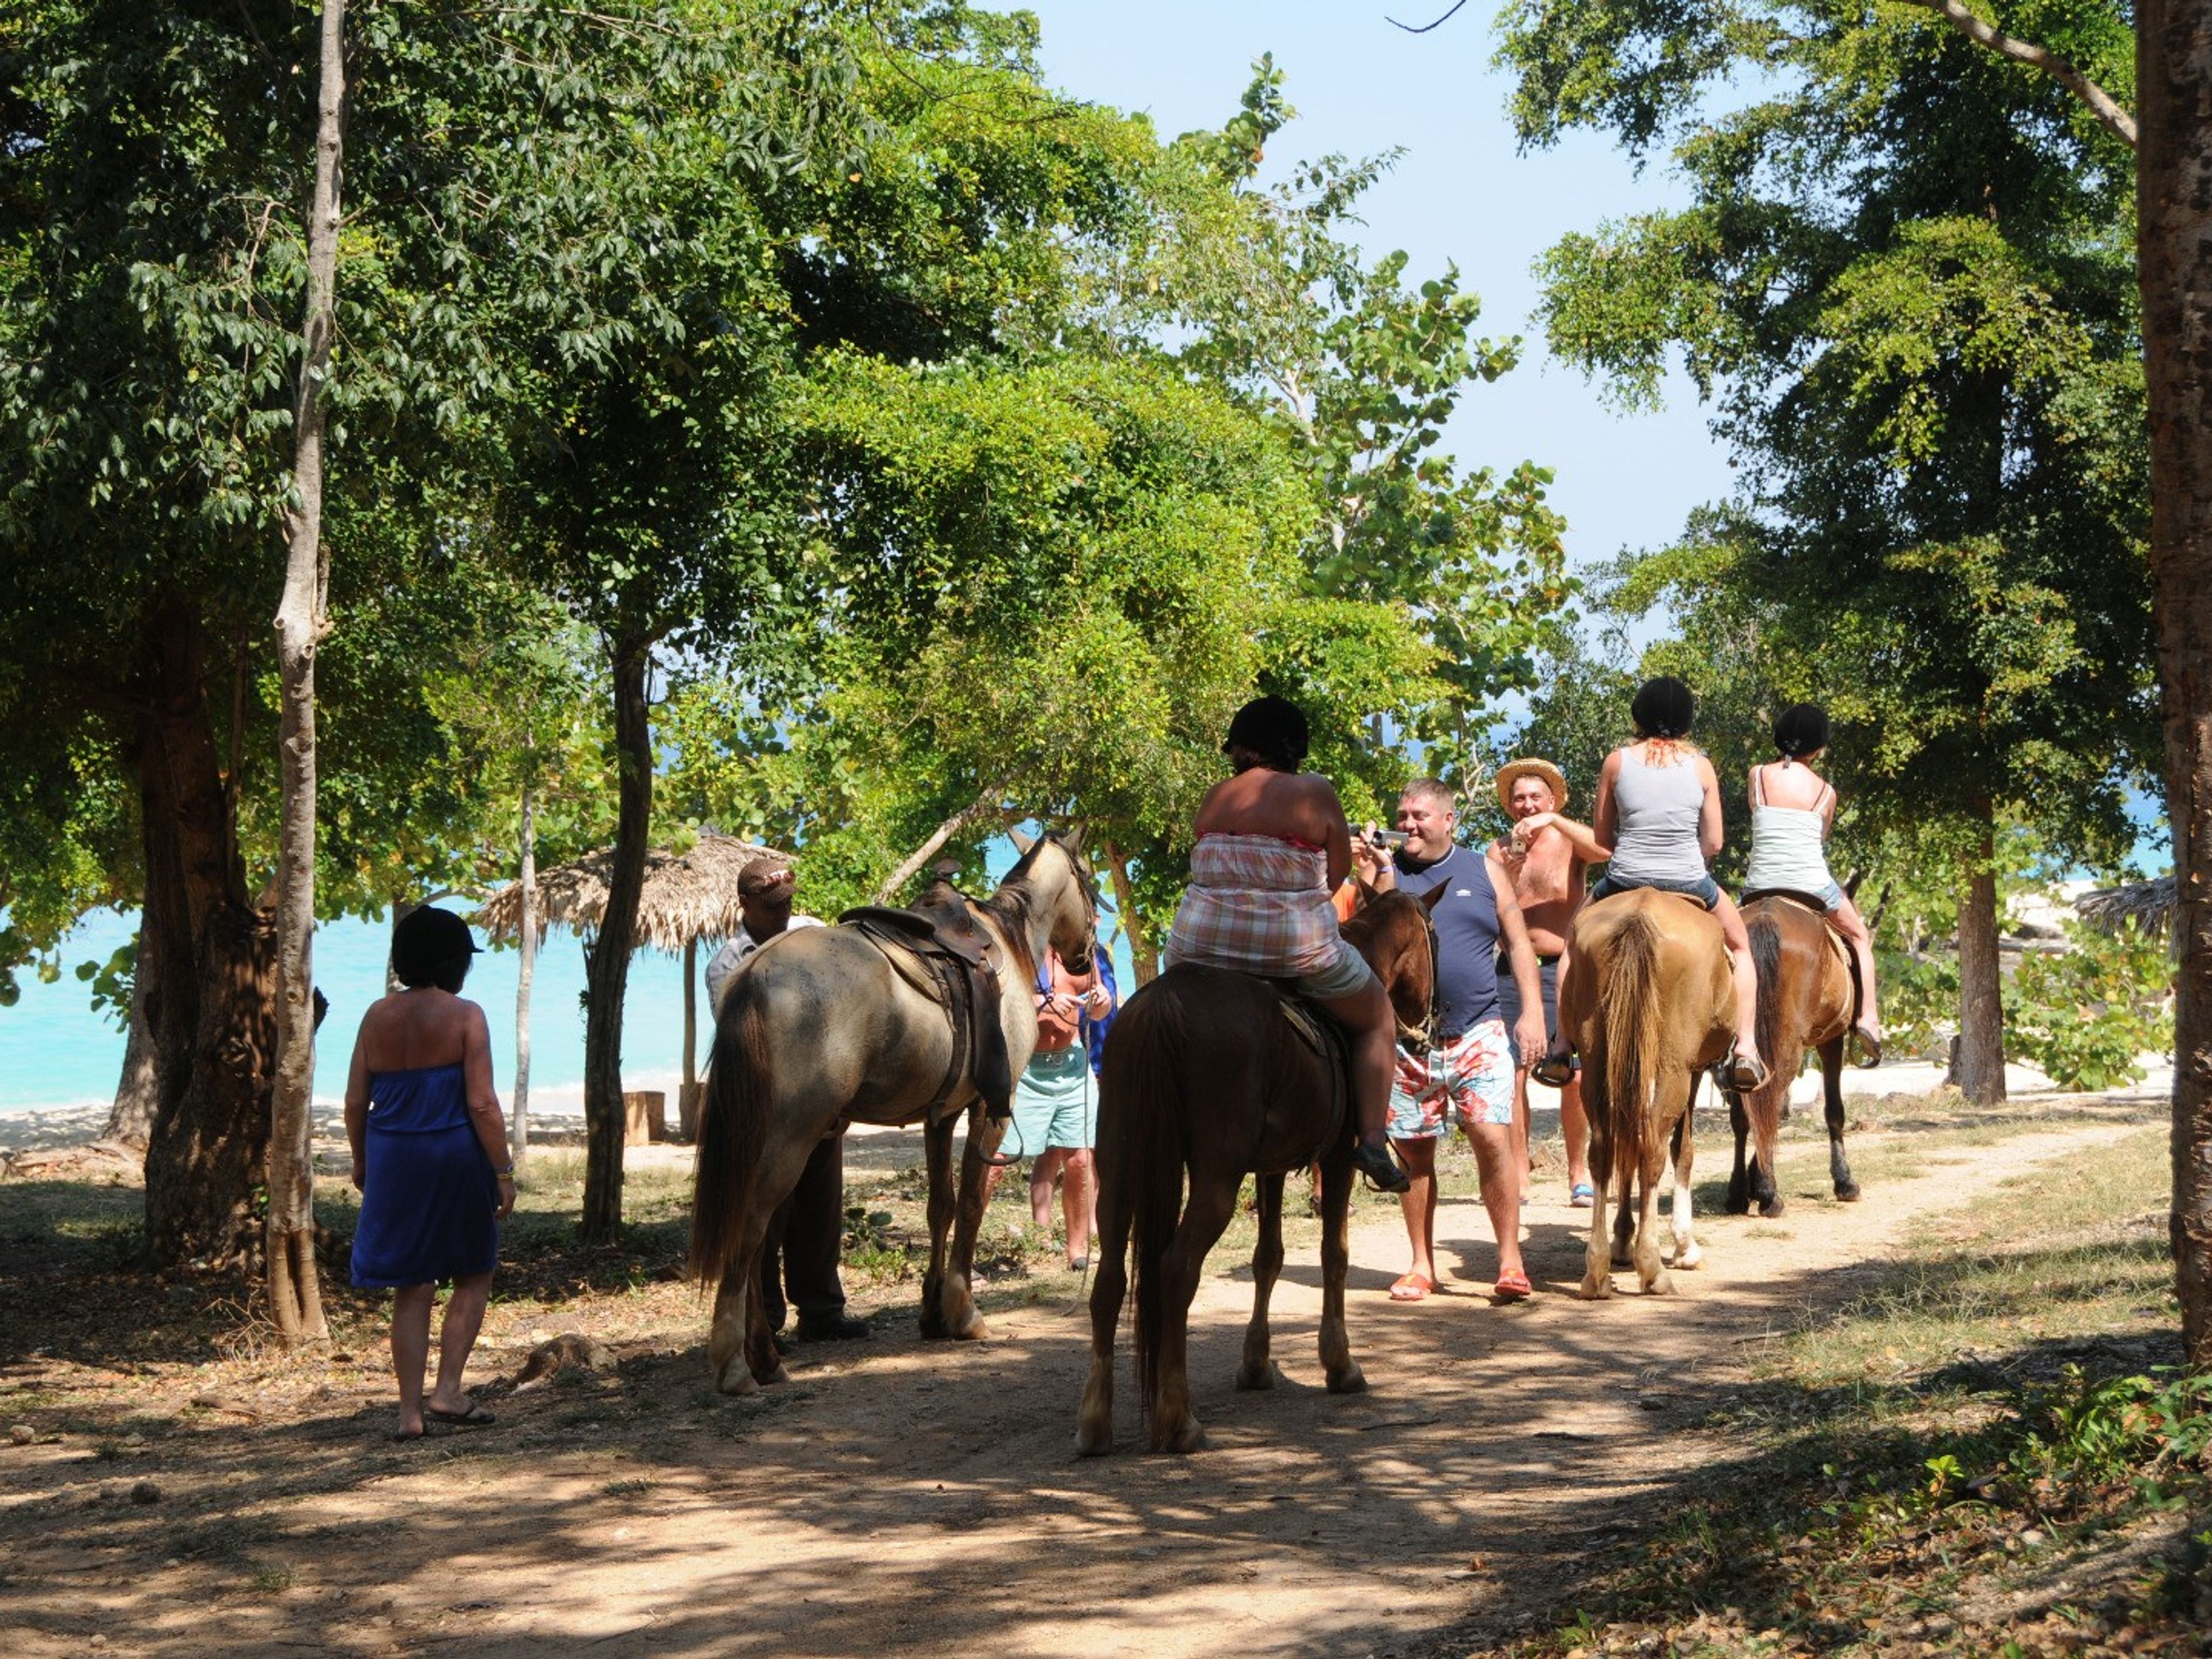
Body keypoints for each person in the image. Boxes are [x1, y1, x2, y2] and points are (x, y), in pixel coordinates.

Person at [1164, 695, 1411, 1194]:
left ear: (1239, 748)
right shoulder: (1314, 792)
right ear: (1294, 749)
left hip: (1197, 950)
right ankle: (1371, 1138)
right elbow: (1336, 877)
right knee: (1378, 1016)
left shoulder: (1216, 796)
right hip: (1294, 950)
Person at [1353, 779, 1548, 1301]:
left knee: (1491, 1138)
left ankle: (1510, 1261)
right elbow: (1361, 944)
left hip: (1480, 1028)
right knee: (1415, 1154)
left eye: (1419, 815)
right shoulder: (1381, 874)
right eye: (1402, 815)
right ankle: (1422, 1265)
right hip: (1405, 1040)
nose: (1409, 824)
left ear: (1449, 821)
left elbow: (1517, 943)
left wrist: (1531, 1013)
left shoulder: (1482, 871)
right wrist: (1373, 869)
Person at [1521, 677, 1766, 1091]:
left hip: (1623, 878)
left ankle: (1562, 1046)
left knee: (1569, 949)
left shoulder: (1617, 761)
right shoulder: (1701, 766)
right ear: (1686, 720)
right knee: (1742, 948)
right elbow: (1715, 842)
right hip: (1688, 879)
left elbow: (1602, 840)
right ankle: (1746, 1049)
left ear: (1638, 716)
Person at [346, 906, 513, 1441]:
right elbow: (483, 1104)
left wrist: (362, 1160)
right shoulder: (467, 1015)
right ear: (453, 964)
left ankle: (409, 1415)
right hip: (454, 1159)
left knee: (411, 1286)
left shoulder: (376, 1015)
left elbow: (355, 1101)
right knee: (473, 1272)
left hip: (394, 1160)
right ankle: (449, 1391)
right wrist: (503, 1171)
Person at [703, 859, 868, 1343]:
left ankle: (821, 1311)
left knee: (821, 1210)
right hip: (767, 1105)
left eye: (788, 904)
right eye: (773, 907)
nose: (783, 914)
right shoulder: (728, 966)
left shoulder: (811, 936)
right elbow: (749, 1048)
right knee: (767, 1213)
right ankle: (765, 1319)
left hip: (821, 1100)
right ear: (745, 905)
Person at [1742, 703, 1882, 1062]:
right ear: (1818, 748)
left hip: (1760, 885)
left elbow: (1757, 813)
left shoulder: (1757, 775)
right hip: (1812, 886)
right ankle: (1868, 1018)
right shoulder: (1826, 792)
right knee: (1860, 937)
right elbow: (1819, 839)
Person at [1486, 757, 1596, 1207]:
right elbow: (1496, 901)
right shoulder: (1498, 849)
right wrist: (1510, 862)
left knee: (1571, 1078)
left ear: (1550, 800)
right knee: (1512, 1076)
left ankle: (1579, 1172)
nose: (1527, 805)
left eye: (1535, 797)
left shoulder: (1570, 841)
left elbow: (1606, 850)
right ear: (1510, 806)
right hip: (1510, 970)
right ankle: (1519, 1174)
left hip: (1563, 967)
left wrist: (1557, 822)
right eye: (1519, 798)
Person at [994, 946, 1115, 1270]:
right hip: (1025, 1067)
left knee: (1081, 1159)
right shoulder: (1017, 946)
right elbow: (994, 1000)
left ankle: (1077, 1251)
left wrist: (1101, 1002)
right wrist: (1040, 1003)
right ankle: (961, 1252)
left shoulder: (1079, 954)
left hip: (1073, 1066)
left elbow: (1101, 1009)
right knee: (994, 1162)